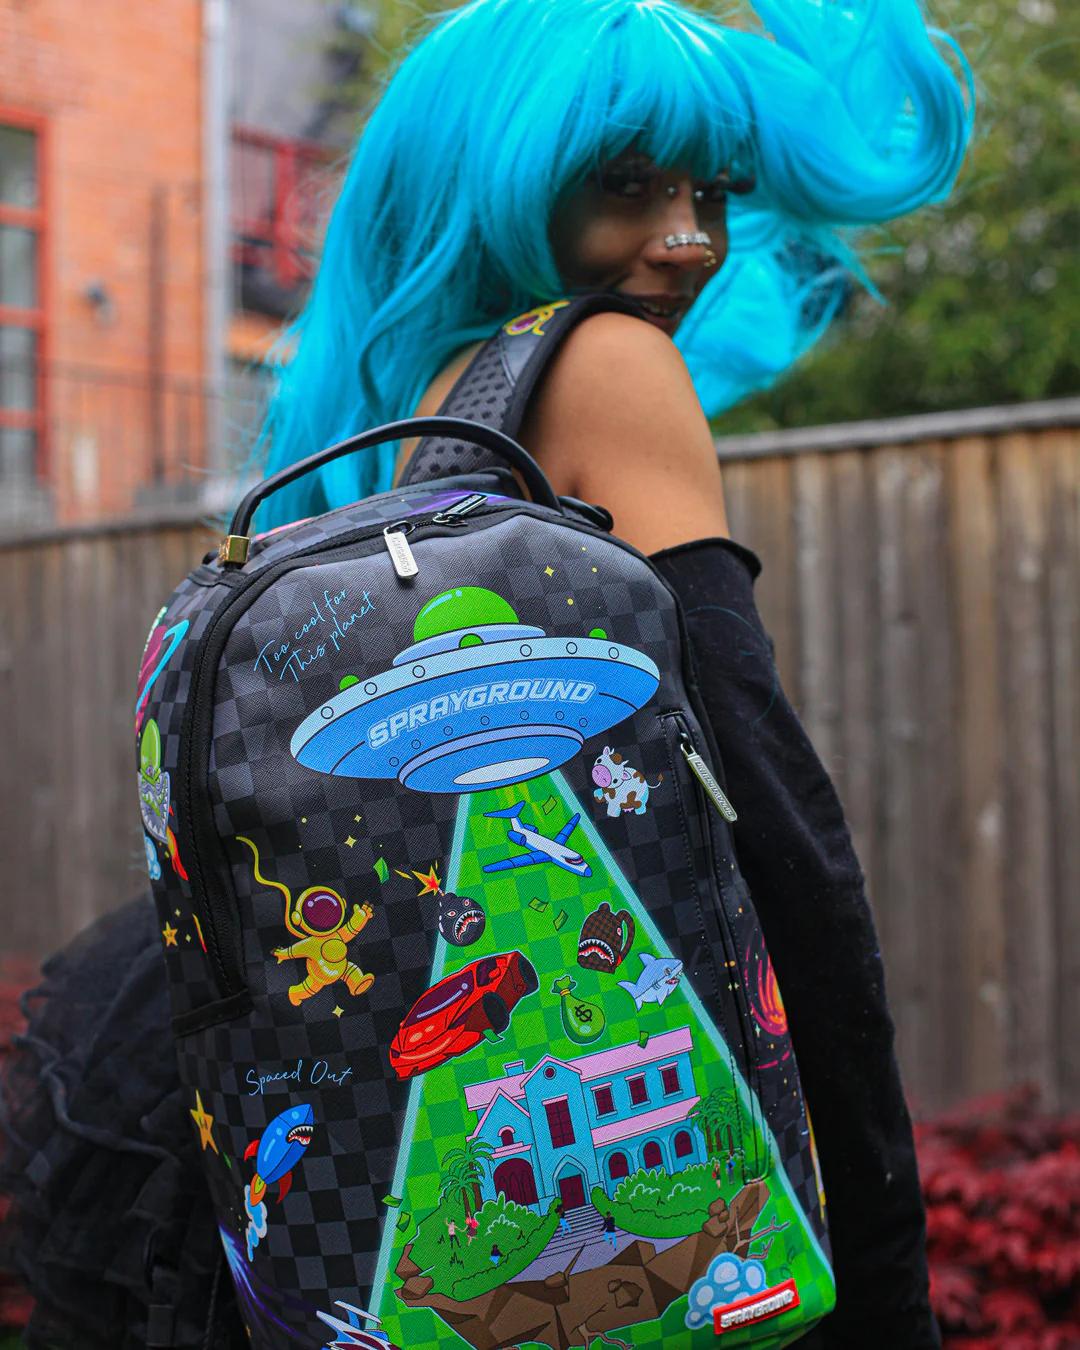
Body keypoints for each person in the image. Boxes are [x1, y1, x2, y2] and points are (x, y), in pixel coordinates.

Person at [0, 1, 973, 1347]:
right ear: (499, 184)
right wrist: (883, 1269)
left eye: (714, 193)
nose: (691, 237)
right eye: (628, 186)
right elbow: (773, 819)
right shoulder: (608, 360)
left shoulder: (405, 398)